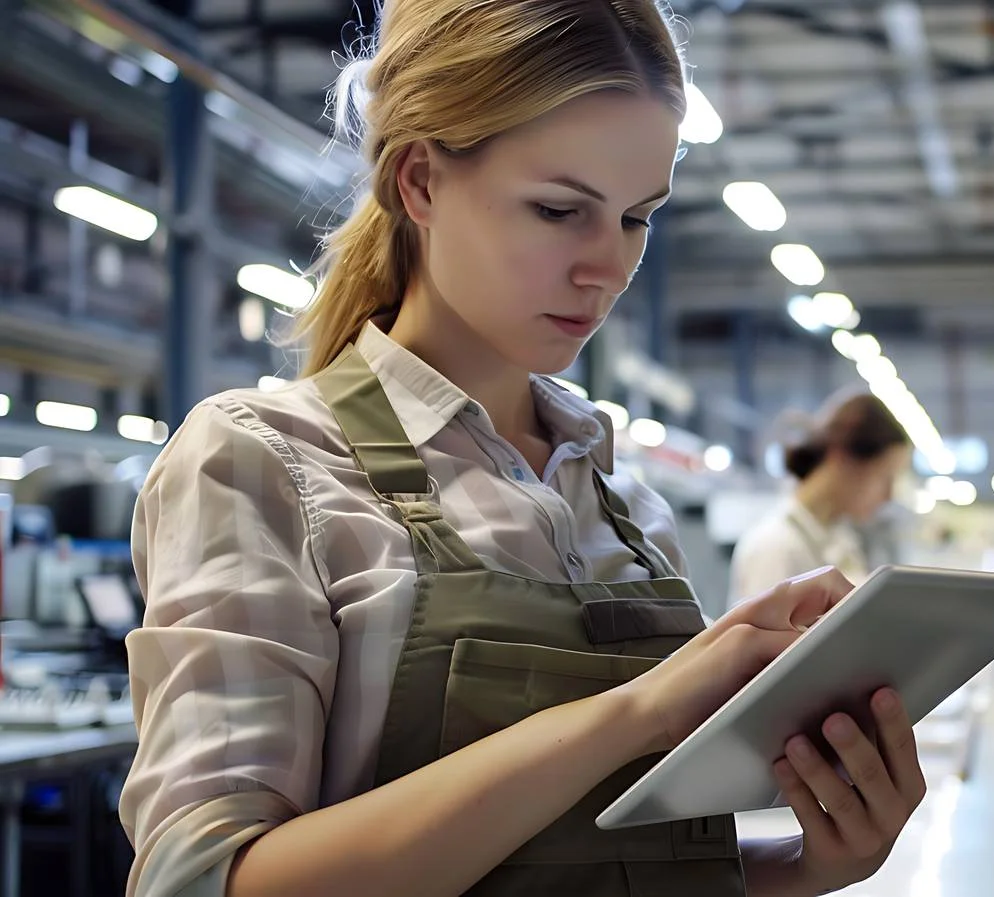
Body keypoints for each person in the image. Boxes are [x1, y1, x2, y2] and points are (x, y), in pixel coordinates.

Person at [118, 3, 927, 896]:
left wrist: (807, 863)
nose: (609, 266)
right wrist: (634, 714)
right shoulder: (266, 462)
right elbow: (202, 878)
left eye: (636, 217)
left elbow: (629, 861)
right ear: (420, 181)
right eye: (558, 210)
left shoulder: (626, 511)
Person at [728, 391, 913, 607]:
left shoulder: (840, 538)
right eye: (884, 477)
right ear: (842, 457)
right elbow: (763, 639)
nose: (889, 495)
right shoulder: (776, 546)